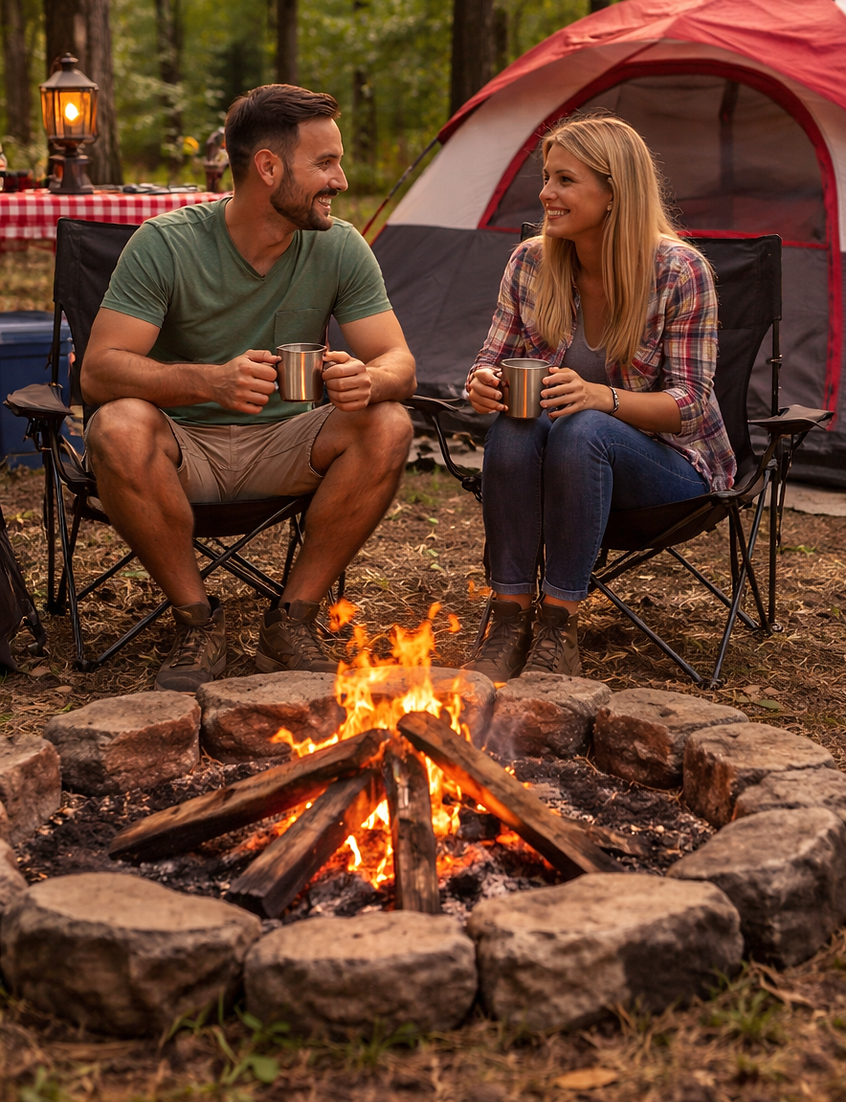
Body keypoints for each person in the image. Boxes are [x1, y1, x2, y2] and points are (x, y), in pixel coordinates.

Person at [81, 84, 415, 691]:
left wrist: (368, 378)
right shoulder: (166, 244)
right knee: (118, 424)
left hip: (286, 443)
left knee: (389, 421)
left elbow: (399, 362)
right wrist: (208, 380)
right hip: (184, 448)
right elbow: (100, 370)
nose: (340, 180)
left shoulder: (338, 246)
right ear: (267, 167)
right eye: (325, 163)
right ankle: (197, 620)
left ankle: (292, 620)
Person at [464, 114, 735, 682]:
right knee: (517, 423)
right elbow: (491, 361)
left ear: (614, 192)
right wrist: (482, 385)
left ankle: (559, 627)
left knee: (582, 426)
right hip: (555, 463)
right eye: (546, 177)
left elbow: (690, 406)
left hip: (669, 469)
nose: (545, 194)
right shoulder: (531, 263)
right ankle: (510, 617)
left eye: (565, 180)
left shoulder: (679, 271)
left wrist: (600, 398)